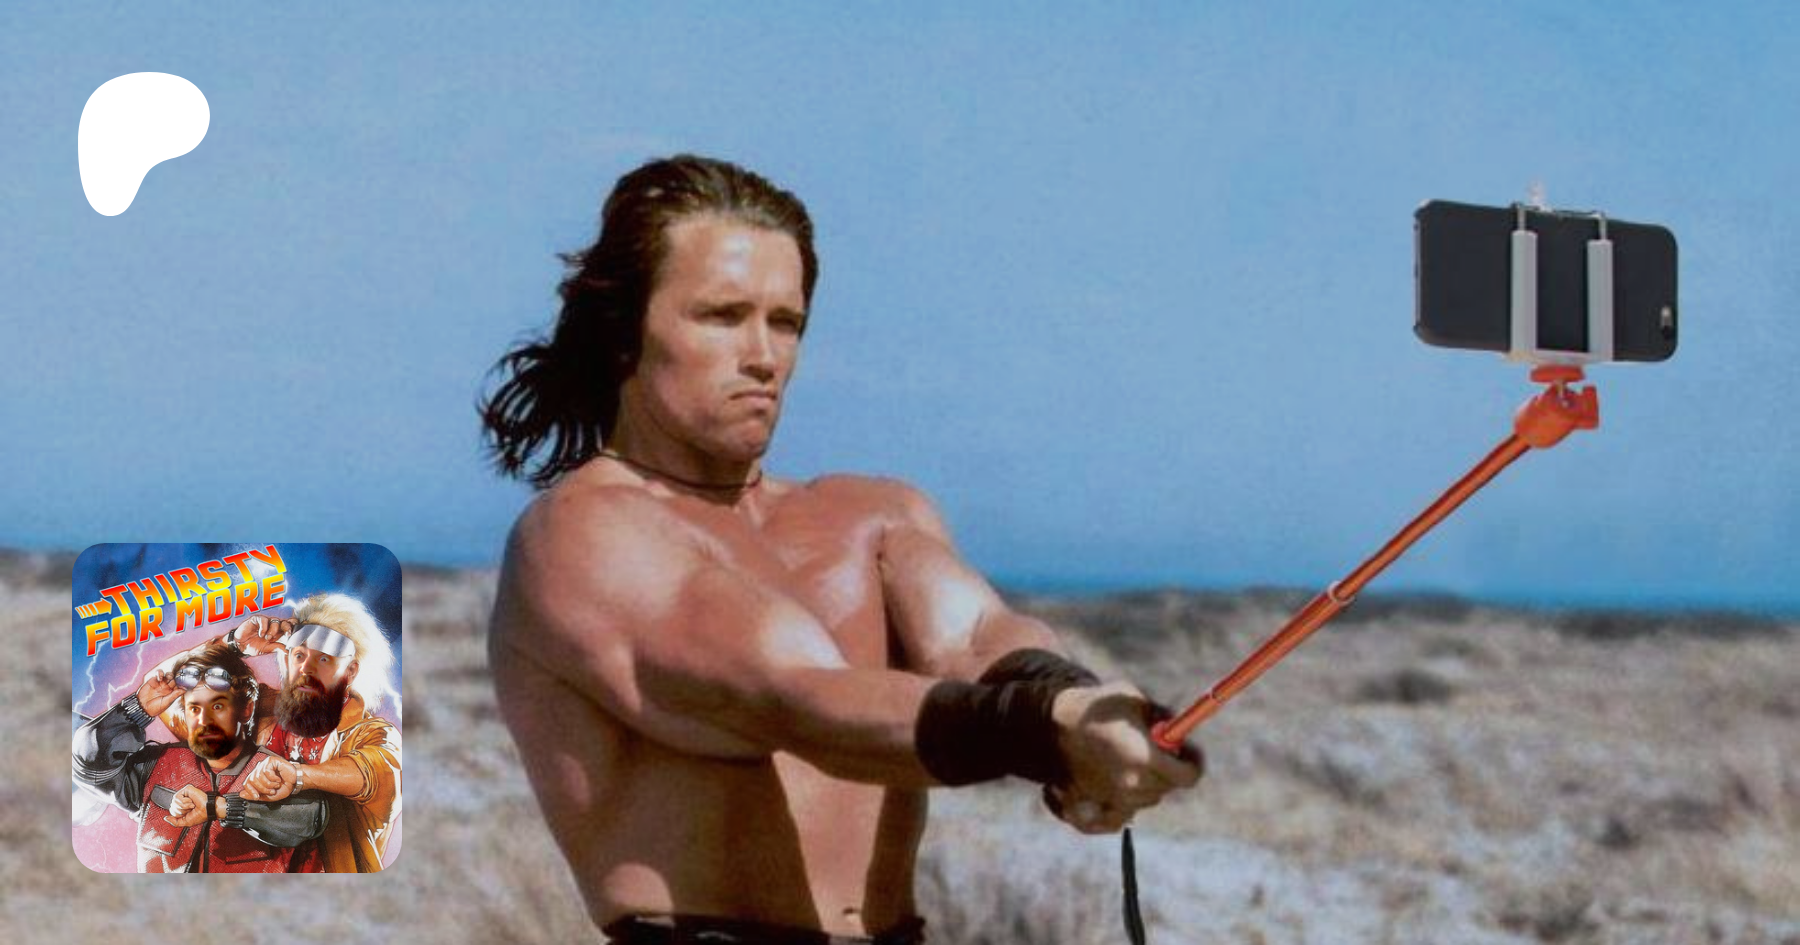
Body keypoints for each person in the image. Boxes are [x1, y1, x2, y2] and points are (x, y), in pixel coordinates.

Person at [481, 154, 1203, 944]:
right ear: (625, 332)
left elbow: (979, 643)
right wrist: (1042, 728)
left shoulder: (875, 514)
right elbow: (796, 699)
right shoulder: (581, 533)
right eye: (721, 315)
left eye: (785, 322)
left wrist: (1089, 718)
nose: (763, 355)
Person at [152, 595, 403, 872]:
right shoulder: (253, 711)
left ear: (350, 671)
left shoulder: (374, 735)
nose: (306, 668)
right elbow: (160, 690)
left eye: (323, 658)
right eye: (299, 655)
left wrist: (298, 776)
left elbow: (372, 772)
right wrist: (233, 644)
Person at [71, 643, 328, 872]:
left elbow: (311, 818)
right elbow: (87, 762)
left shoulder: (277, 774)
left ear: (246, 710)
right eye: (194, 708)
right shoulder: (154, 767)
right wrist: (137, 709)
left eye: (217, 706)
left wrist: (217, 807)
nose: (204, 720)